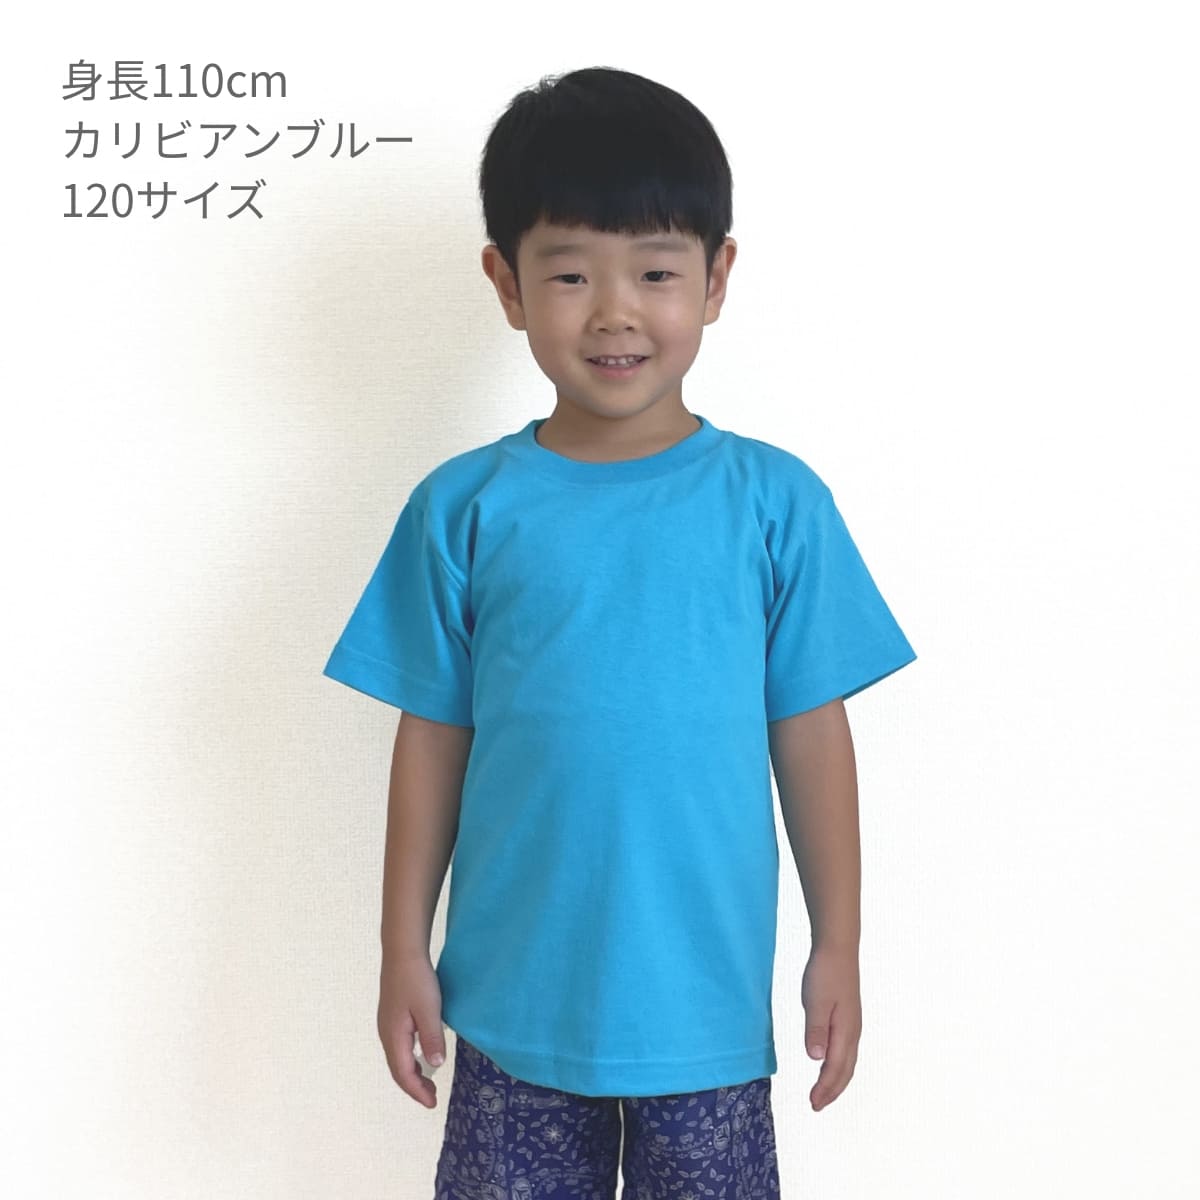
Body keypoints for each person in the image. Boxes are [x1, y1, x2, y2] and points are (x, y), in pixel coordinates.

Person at [323, 65, 917, 1199]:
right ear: (506, 284)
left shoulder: (775, 504)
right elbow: (433, 737)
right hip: (511, 1009)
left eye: (654, 271)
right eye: (569, 274)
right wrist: (402, 947)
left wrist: (837, 941)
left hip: (705, 1013)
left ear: (716, 277)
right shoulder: (463, 508)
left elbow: (811, 733)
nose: (613, 311)